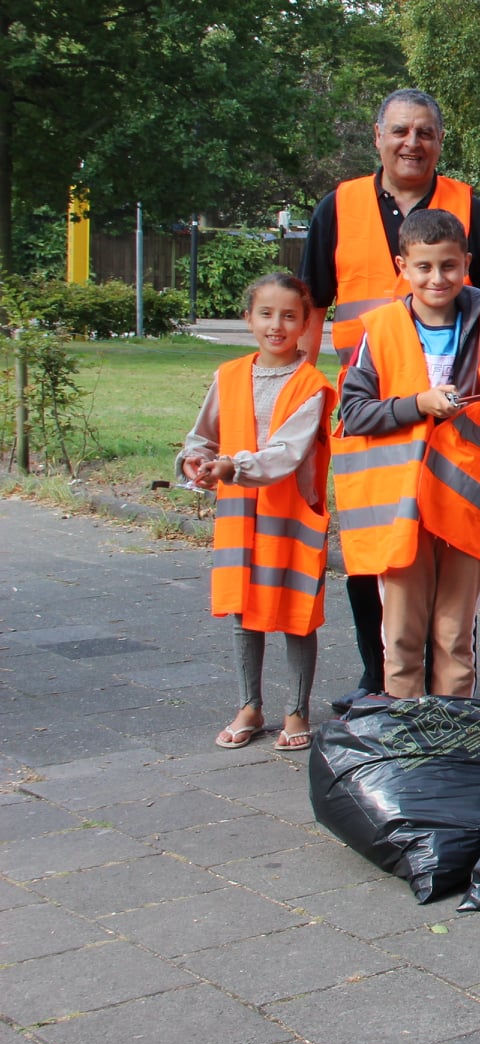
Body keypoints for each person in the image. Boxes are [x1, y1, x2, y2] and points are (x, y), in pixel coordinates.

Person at [299, 88, 480, 710]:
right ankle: (383, 682)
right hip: (374, 417)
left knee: (451, 571)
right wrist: (306, 392)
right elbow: (313, 304)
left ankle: (448, 695)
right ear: (377, 136)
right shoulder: (337, 208)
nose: (411, 142)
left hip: (455, 433)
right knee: (379, 553)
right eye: (399, 130)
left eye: (424, 132)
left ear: (439, 142)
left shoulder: (470, 207)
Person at [333, 209, 480, 699]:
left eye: (449, 266)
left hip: (462, 504)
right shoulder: (381, 330)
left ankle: (453, 742)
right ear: (402, 267)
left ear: (466, 264)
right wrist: (418, 405)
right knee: (403, 636)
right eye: (425, 267)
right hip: (401, 508)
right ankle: (406, 739)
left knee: (455, 638)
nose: (438, 278)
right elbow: (354, 411)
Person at [178, 273, 335, 751]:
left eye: (290, 315)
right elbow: (202, 434)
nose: (277, 325)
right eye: (266, 314)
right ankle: (250, 704)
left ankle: (297, 710)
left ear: (307, 324)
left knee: (296, 614)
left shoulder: (312, 385)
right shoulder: (228, 375)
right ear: (248, 319)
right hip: (239, 515)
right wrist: (194, 460)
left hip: (291, 515)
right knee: (244, 610)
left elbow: (285, 454)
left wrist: (229, 465)